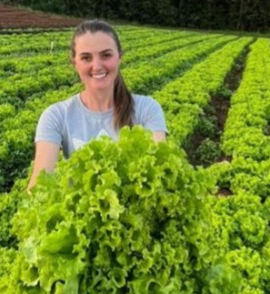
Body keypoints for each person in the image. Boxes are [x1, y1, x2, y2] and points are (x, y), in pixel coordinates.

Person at [28, 19, 168, 191]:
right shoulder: (56, 116)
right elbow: (39, 186)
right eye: (86, 58)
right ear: (75, 64)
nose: (97, 66)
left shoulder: (147, 110)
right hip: (79, 217)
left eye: (106, 55)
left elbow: (160, 173)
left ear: (119, 57)